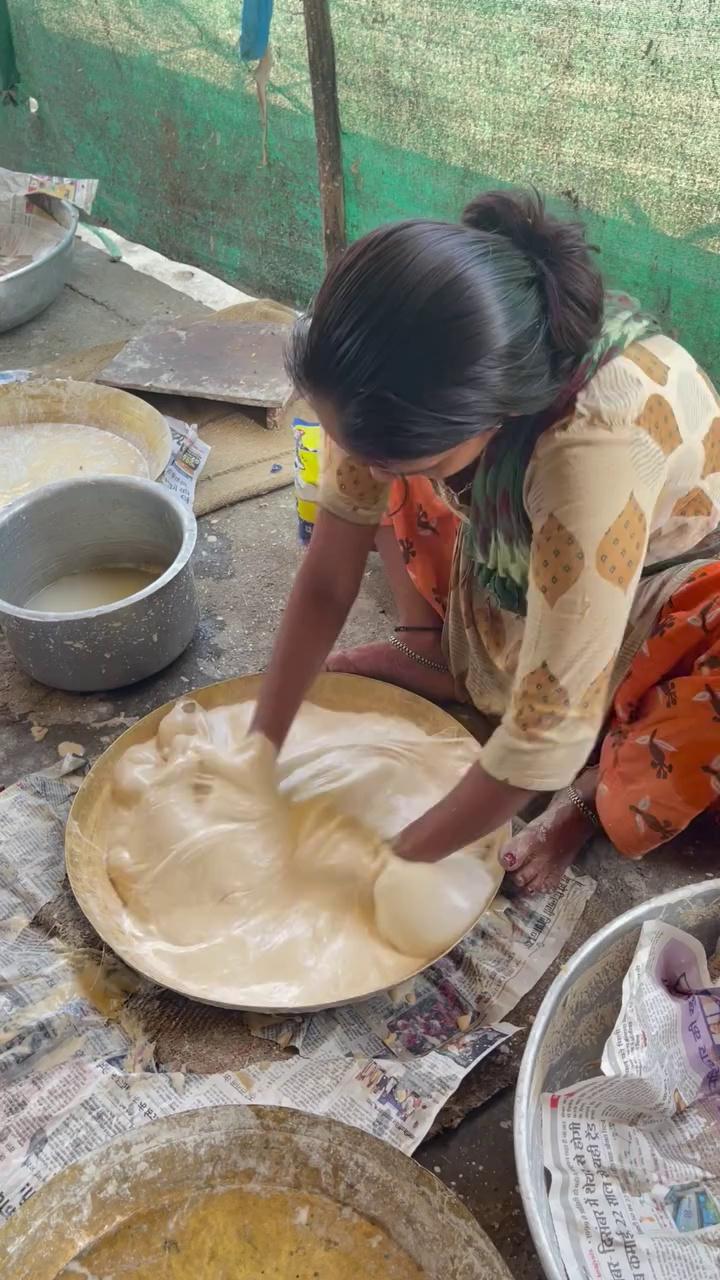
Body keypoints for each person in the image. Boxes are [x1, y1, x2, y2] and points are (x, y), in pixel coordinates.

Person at [251, 189, 720, 891]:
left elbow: (544, 740)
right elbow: (327, 576)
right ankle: (435, 642)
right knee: (388, 484)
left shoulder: (595, 447)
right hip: (528, 531)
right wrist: (260, 747)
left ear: (495, 414)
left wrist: (386, 861)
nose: (370, 468)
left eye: (410, 457)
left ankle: (589, 801)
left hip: (660, 570)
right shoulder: (397, 381)